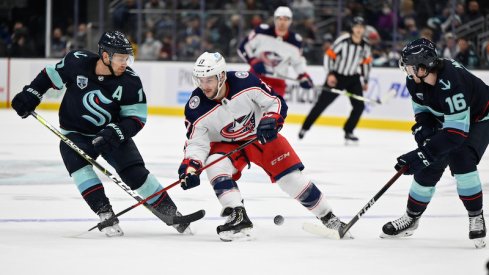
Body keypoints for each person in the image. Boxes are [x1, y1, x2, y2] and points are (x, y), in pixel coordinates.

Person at [11, 31, 193, 237]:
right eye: (120, 58)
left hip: (110, 134)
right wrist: (32, 93)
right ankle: (104, 212)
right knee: (77, 163)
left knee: (135, 173)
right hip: (75, 132)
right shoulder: (76, 61)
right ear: (105, 56)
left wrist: (116, 132)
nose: (125, 63)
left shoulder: (130, 82)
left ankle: (171, 212)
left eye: (127, 58)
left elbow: (137, 118)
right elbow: (49, 75)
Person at [178, 51, 349, 241]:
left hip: (261, 137)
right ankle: (238, 216)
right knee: (215, 164)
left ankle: (329, 218)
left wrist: (271, 120)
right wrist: (191, 167)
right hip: (228, 144)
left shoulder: (245, 82)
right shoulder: (196, 107)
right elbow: (197, 143)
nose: (204, 86)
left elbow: (275, 102)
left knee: (291, 180)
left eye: (208, 80)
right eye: (200, 80)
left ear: (221, 76)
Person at [381, 38, 488, 249]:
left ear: (424, 66)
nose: (408, 72)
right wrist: (424, 131)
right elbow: (421, 111)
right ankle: (411, 217)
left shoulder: (452, 82)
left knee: (461, 157)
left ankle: (476, 215)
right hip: (450, 120)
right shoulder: (415, 81)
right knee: (429, 162)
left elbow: (456, 133)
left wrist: (422, 154)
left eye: (410, 67)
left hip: (480, 118)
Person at [298, 16, 372, 143]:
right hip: (337, 76)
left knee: (359, 106)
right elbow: (329, 56)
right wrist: (330, 74)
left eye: (361, 27)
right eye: (357, 27)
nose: (359, 30)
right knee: (321, 104)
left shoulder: (365, 45)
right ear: (352, 28)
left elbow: (366, 63)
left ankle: (349, 131)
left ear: (364, 29)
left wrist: (365, 80)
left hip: (353, 78)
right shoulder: (343, 41)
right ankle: (305, 127)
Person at [237, 6, 313, 97]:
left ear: (290, 21)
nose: (282, 22)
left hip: (277, 83)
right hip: (256, 77)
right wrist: (253, 61)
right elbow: (243, 48)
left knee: (274, 110)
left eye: (286, 19)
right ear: (274, 19)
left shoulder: (296, 41)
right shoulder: (261, 31)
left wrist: (303, 76)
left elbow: (298, 62)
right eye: (279, 19)